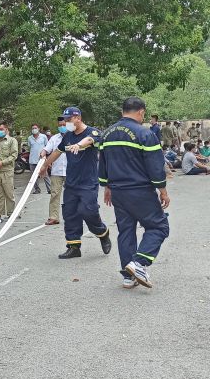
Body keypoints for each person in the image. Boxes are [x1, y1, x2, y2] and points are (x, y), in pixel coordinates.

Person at [99, 97, 170, 288]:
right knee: (159, 227)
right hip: (140, 191)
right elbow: (155, 167)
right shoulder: (144, 133)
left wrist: (107, 187)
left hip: (118, 192)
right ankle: (139, 263)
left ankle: (128, 276)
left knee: (126, 231)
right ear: (141, 112)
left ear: (123, 111)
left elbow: (103, 164)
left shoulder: (107, 134)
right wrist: (163, 190)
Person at [39, 107, 112, 259]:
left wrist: (79, 145)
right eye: (65, 121)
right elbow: (57, 152)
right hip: (71, 183)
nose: (66, 123)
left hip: (88, 182)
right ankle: (74, 246)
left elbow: (89, 140)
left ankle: (102, 233)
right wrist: (45, 166)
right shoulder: (68, 136)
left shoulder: (93, 132)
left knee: (88, 211)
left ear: (78, 117)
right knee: (70, 214)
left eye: (69, 120)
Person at [40, 117, 68, 225]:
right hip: (56, 171)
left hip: (71, 171)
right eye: (60, 125)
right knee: (54, 194)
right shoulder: (54, 138)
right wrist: (42, 153)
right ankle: (53, 217)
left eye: (64, 125)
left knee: (72, 195)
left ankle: (73, 216)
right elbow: (47, 149)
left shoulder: (74, 137)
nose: (62, 127)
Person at [28, 124, 50, 195]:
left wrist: (45, 156)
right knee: (34, 176)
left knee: (45, 174)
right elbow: (30, 147)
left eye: (35, 128)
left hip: (41, 159)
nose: (34, 129)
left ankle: (49, 189)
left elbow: (47, 147)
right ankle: (37, 189)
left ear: (39, 129)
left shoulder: (43, 137)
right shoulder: (30, 138)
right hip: (32, 159)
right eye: (33, 128)